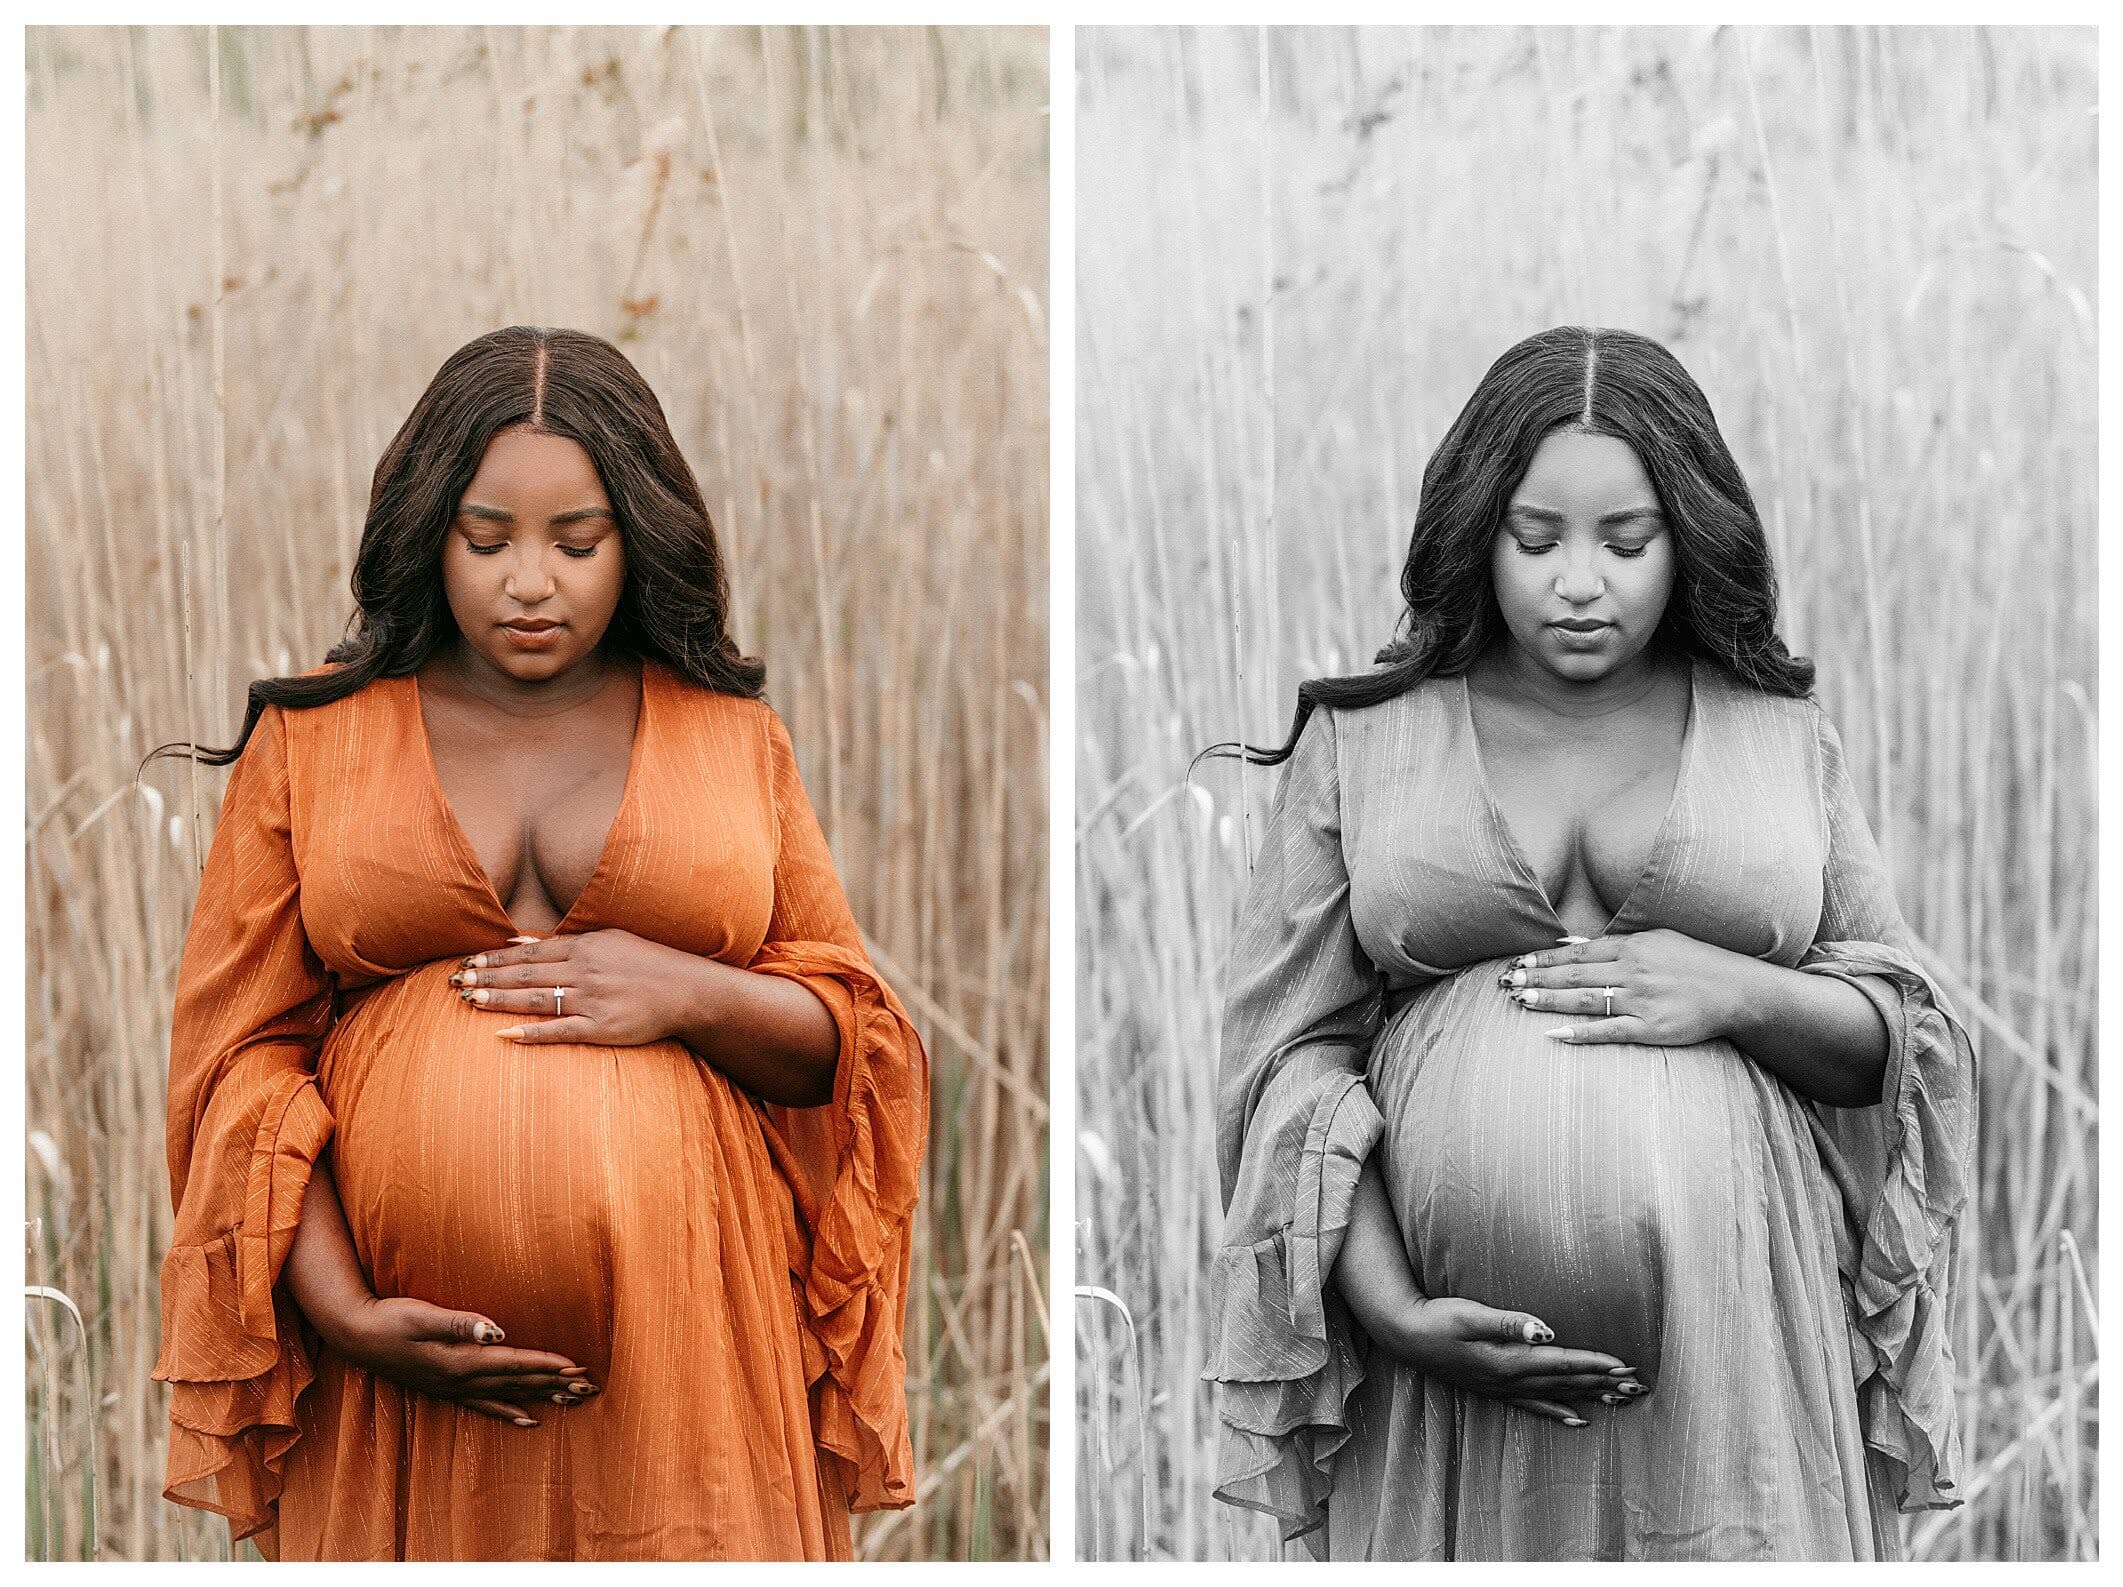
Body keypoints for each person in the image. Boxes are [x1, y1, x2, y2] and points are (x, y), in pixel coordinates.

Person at [149, 326, 929, 1560]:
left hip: (691, 1356)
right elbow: (238, 1060)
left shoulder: (728, 735)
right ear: (426, 531)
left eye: (576, 544)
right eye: (486, 538)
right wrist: (341, 1307)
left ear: (637, 536)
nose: (530, 581)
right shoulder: (317, 734)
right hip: (398, 1382)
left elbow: (850, 1047)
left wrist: (685, 990)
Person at [1205, 326, 1974, 1561]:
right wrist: (1389, 1304)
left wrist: (1733, 990)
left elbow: (1903, 1041)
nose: (1578, 581)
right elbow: (1285, 1059)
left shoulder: (1774, 733)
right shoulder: (1368, 739)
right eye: (1534, 538)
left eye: (1625, 543)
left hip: (1737, 1352)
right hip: (1447, 1382)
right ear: (1474, 531)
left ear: (1687, 535)